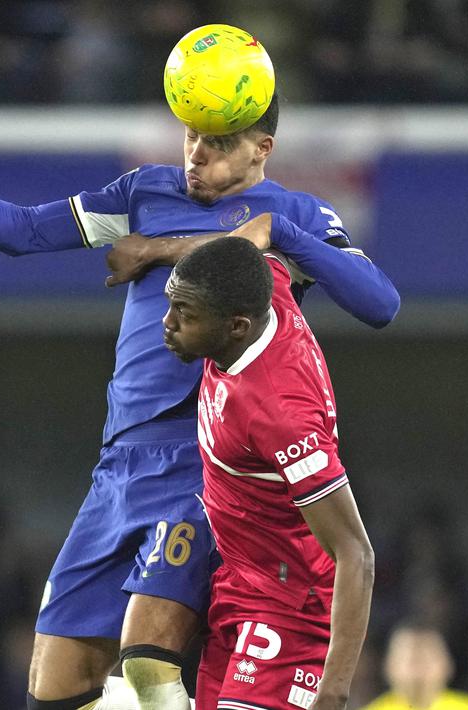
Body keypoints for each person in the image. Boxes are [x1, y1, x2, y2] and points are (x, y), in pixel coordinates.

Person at [0, 92, 399, 709]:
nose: (196, 155)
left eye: (216, 143)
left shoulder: (298, 214)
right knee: (54, 689)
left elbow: (379, 303)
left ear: (262, 148)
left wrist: (270, 233)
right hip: (119, 467)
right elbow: (23, 230)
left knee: (147, 661)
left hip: (202, 462)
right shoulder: (145, 193)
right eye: (190, 136)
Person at [160, 235, 374, 710]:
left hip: (291, 610)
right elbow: (266, 237)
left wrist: (334, 690)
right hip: (239, 584)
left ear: (237, 326)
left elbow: (355, 552)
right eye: (171, 304)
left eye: (185, 314)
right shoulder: (264, 286)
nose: (167, 323)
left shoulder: (280, 415)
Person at [363, 621, 468, 710]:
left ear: (448, 664)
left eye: (427, 657)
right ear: (388, 666)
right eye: (411, 658)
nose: (419, 667)